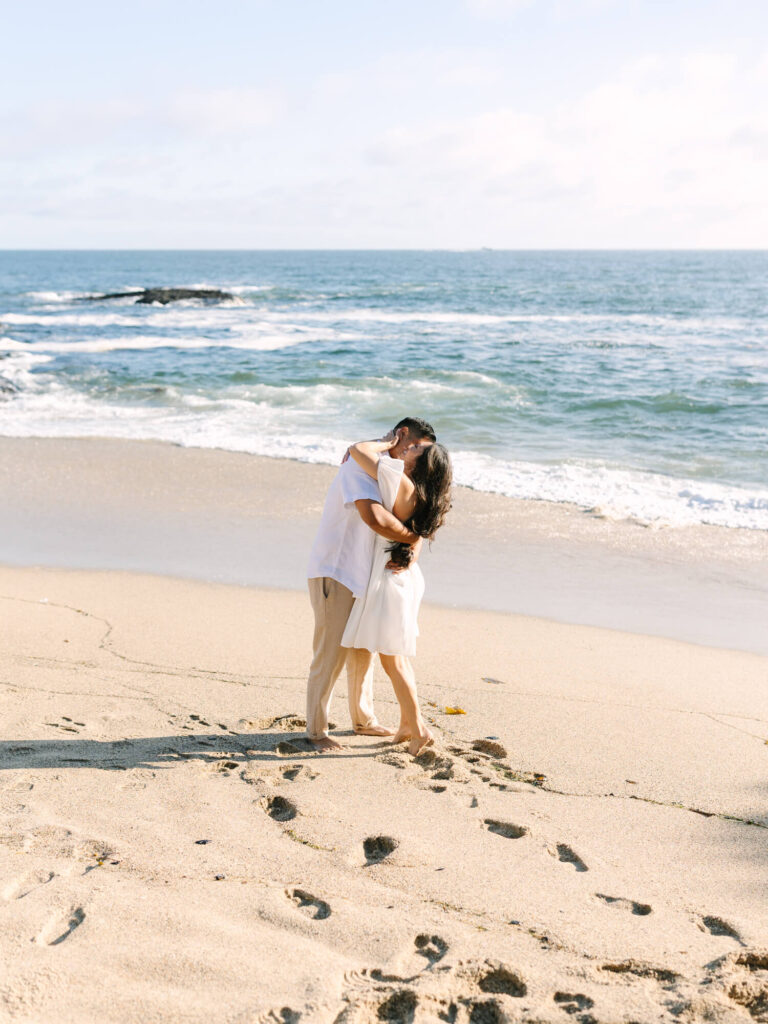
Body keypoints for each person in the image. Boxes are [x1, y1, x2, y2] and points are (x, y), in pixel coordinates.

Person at [305, 417, 437, 752]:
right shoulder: (358, 468)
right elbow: (375, 519)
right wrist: (413, 540)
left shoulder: (388, 474)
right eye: (418, 449)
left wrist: (414, 544)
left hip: (363, 574)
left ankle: (363, 720)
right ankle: (316, 731)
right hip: (336, 570)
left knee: (362, 649)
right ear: (402, 436)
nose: (418, 460)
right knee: (331, 651)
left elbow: (409, 519)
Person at [341, 429, 452, 755]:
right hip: (403, 580)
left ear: (421, 465)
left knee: (393, 661)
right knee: (396, 658)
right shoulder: (424, 497)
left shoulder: (400, 482)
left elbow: (358, 449)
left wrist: (386, 442)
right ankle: (407, 724)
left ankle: (417, 729)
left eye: (414, 449)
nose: (407, 449)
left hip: (390, 583)